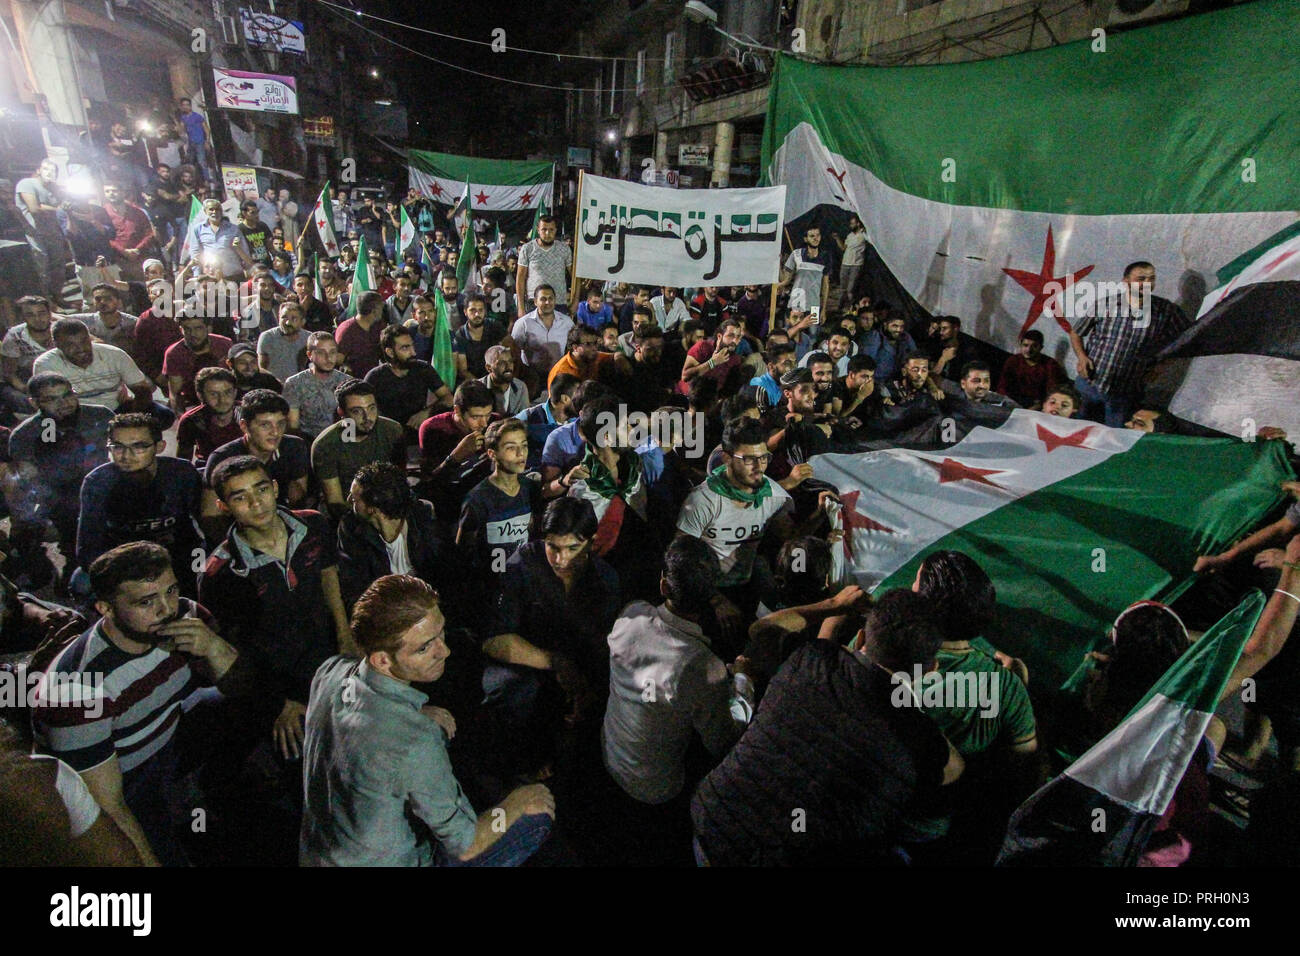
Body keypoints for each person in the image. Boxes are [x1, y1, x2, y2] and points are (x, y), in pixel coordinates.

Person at [31, 541, 266, 866]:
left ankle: (211, 790)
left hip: (168, 733)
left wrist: (215, 648)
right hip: (125, 774)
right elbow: (108, 809)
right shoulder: (77, 690)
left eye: (170, 591)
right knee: (161, 850)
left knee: (260, 706)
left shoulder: (187, 613)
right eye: (146, 601)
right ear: (105, 608)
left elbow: (243, 689)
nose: (166, 609)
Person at [690, 589, 964, 866]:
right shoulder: (919, 737)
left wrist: (834, 605)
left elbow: (762, 629)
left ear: (860, 638)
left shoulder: (810, 657)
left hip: (713, 823)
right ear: (931, 669)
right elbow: (951, 772)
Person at [300, 574, 555, 866]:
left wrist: (415, 712)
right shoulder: (415, 741)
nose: (443, 651)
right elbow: (466, 842)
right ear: (382, 660)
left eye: (441, 633)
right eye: (424, 648)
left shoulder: (329, 671)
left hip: (319, 854)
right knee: (536, 815)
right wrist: (514, 805)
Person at [200, 456, 355, 757]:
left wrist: (345, 635)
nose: (255, 503)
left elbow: (328, 575)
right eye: (239, 496)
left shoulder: (313, 524)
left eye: (260, 490)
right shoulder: (222, 573)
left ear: (273, 488)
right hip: (281, 684)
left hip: (330, 659)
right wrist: (277, 704)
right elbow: (233, 651)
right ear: (223, 506)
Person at [602, 535, 753, 837]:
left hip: (609, 756)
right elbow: (723, 741)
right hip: (655, 789)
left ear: (664, 585)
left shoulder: (632, 614)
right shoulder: (704, 666)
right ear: (712, 594)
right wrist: (742, 681)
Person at [482, 497, 622, 777]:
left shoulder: (605, 580)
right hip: (529, 662)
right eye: (553, 548)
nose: (561, 560)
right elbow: (494, 640)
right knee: (511, 688)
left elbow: (605, 645)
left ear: (591, 542)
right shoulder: (523, 564)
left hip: (579, 667)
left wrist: (586, 689)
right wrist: (556, 663)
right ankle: (516, 765)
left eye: (573, 548)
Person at [76, 413, 204, 591]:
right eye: (118, 447)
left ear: (159, 447)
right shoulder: (98, 481)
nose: (126, 456)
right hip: (125, 560)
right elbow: (88, 546)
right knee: (81, 584)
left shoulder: (180, 472)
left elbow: (205, 522)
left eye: (139, 447)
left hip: (177, 553)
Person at [4, 374, 114, 569]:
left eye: (67, 395)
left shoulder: (101, 415)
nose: (63, 403)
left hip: (103, 481)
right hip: (60, 493)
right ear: (34, 403)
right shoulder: (24, 435)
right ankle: (74, 558)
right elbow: (29, 481)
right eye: (51, 399)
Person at [1068, 260, 1192, 428]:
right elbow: (1076, 333)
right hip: (1090, 383)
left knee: (1116, 439)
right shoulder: (1105, 304)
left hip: (1126, 392)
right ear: (1125, 281)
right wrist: (1082, 357)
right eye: (1141, 279)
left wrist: (1161, 368)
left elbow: (1186, 341)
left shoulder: (1166, 311)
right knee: (1074, 430)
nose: (1147, 284)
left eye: (1151, 279)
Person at [201, 390, 310, 539]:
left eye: (280, 423)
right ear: (244, 426)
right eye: (265, 425)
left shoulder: (294, 447)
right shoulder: (222, 458)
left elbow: (298, 500)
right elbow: (211, 516)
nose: (275, 432)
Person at [336, 463, 445, 612]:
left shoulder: (422, 516)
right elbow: (354, 588)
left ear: (372, 508)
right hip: (383, 613)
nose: (348, 500)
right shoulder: (351, 529)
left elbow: (442, 572)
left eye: (355, 500)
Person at [456, 418, 540, 604]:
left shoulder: (530, 489)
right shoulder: (478, 499)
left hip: (523, 582)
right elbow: (464, 551)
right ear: (492, 454)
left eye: (524, 446)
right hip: (491, 590)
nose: (521, 454)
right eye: (511, 448)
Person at [33, 318, 165, 421]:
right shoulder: (45, 364)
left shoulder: (114, 354)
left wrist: (130, 417)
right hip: (75, 413)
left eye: (84, 341)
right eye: (70, 345)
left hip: (117, 408)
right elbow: (47, 404)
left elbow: (142, 390)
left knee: (164, 415)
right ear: (56, 344)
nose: (80, 349)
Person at [311, 380, 406, 521]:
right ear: (341, 412)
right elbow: (335, 502)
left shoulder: (392, 431)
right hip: (348, 515)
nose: (367, 417)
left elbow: (400, 483)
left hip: (388, 510)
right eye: (357, 411)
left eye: (371, 408)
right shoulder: (326, 444)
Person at [418, 381, 500, 525]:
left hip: (488, 499)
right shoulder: (433, 429)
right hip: (450, 504)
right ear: (457, 410)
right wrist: (455, 456)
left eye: (487, 415)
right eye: (475, 417)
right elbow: (429, 483)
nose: (484, 424)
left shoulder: (495, 422)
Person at [365, 324, 452, 435]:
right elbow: (366, 412)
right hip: (387, 436)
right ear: (390, 352)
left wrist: (427, 412)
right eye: (405, 348)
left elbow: (448, 398)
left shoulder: (423, 368)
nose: (413, 353)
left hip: (418, 433)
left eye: (412, 346)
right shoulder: (374, 377)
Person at [283, 332, 351, 440]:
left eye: (332, 352)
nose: (328, 358)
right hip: (308, 442)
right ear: (310, 355)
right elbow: (293, 426)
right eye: (321, 353)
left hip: (343, 441)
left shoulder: (347, 382)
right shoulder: (294, 384)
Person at [508, 284, 573, 393]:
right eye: (543, 299)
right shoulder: (523, 323)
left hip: (558, 376)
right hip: (531, 377)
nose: (547, 302)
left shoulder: (567, 322)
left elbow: (571, 349)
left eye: (550, 298)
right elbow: (514, 352)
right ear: (535, 302)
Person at [175, 366, 242, 469]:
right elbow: (183, 463)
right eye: (214, 394)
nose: (222, 400)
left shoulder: (249, 414)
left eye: (227, 392)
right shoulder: (192, 420)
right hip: (208, 468)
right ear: (200, 395)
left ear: (235, 392)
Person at [163, 314, 232, 414]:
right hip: (193, 401)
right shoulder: (174, 353)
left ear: (208, 328)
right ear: (181, 330)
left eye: (198, 328)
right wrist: (182, 418)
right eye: (187, 329)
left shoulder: (224, 344)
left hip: (227, 394)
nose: (193, 334)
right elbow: (175, 393)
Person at [0, 295, 55, 420]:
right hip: (26, 381)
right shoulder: (15, 336)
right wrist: (27, 390)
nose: (37, 319)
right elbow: (10, 374)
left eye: (41, 313)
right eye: (30, 315)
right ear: (23, 317)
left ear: (49, 313)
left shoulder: (60, 330)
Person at [516, 373, 578, 471]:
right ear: (565, 399)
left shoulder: (578, 421)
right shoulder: (527, 418)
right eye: (577, 396)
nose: (581, 400)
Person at [182, 198, 251, 281]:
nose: (214, 212)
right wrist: (197, 274)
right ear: (205, 211)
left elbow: (244, 249)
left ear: (221, 211)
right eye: (211, 209)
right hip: (212, 277)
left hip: (233, 274)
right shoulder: (198, 229)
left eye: (217, 209)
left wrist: (249, 269)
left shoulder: (233, 229)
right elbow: (195, 253)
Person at [516, 215, 571, 314]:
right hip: (534, 303)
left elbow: (575, 276)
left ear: (556, 230)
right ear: (538, 230)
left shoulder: (564, 249)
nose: (547, 233)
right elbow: (520, 279)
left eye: (551, 230)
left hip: (558, 303)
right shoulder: (527, 249)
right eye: (544, 229)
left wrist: (575, 301)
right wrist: (521, 307)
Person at [998, 329, 1065, 409]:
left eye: (1034, 346)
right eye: (1025, 345)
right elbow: (1003, 386)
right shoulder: (1013, 361)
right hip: (1012, 402)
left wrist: (1037, 407)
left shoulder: (1050, 365)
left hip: (1038, 406)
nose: (1029, 350)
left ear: (1041, 348)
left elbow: (1052, 393)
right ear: (1021, 345)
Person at [679, 318, 744, 396]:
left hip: (711, 401)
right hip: (688, 396)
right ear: (719, 336)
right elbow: (685, 376)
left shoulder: (735, 360)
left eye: (738, 337)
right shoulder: (702, 347)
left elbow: (730, 389)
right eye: (730, 336)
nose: (735, 341)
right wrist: (712, 362)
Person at [451, 293, 507, 382]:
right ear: (465, 312)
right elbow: (463, 371)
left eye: (480, 310)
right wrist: (482, 385)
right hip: (474, 382)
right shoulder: (460, 335)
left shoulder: (495, 326)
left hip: (497, 377)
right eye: (472, 310)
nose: (477, 314)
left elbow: (509, 351)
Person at [335, 290, 387, 379]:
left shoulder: (379, 326)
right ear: (374, 311)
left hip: (374, 378)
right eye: (381, 307)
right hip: (353, 381)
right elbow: (337, 361)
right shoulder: (347, 331)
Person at [781, 225, 833, 314]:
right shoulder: (796, 254)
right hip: (796, 302)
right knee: (794, 327)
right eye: (812, 236)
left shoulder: (826, 257)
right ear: (806, 239)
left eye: (818, 235)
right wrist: (777, 265)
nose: (816, 238)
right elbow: (786, 280)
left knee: (814, 328)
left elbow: (825, 285)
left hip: (814, 305)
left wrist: (823, 309)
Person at [256, 300, 309, 383]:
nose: (288, 322)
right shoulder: (267, 337)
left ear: (302, 322)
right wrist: (277, 383)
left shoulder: (309, 339)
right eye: (284, 317)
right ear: (278, 318)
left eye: (294, 319)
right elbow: (261, 368)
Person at [859, 313, 917, 385]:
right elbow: (865, 364)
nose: (898, 330)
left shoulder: (906, 337)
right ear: (885, 325)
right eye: (894, 326)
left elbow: (916, 357)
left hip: (896, 381)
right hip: (876, 382)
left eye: (901, 327)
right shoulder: (874, 337)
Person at [835, 214, 867, 309]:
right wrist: (837, 238)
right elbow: (843, 248)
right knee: (842, 288)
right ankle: (840, 307)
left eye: (853, 223)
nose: (851, 225)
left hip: (856, 265)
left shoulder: (864, 234)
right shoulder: (850, 235)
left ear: (858, 223)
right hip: (845, 263)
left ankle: (850, 308)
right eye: (850, 224)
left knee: (850, 289)